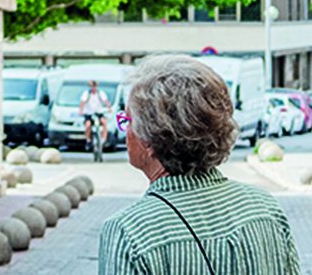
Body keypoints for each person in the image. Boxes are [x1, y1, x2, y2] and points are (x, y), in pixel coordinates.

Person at [99, 55, 301, 274]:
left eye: (127, 120)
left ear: (149, 138)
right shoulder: (265, 208)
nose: (125, 131)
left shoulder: (130, 232)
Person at [79, 80, 110, 152]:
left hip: (98, 113)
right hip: (89, 113)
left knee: (104, 122)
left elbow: (106, 101)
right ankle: (88, 140)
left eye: (94, 86)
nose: (93, 88)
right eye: (92, 86)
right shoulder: (87, 93)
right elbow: (82, 102)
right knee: (88, 125)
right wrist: (81, 110)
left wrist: (109, 108)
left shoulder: (100, 93)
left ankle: (104, 139)